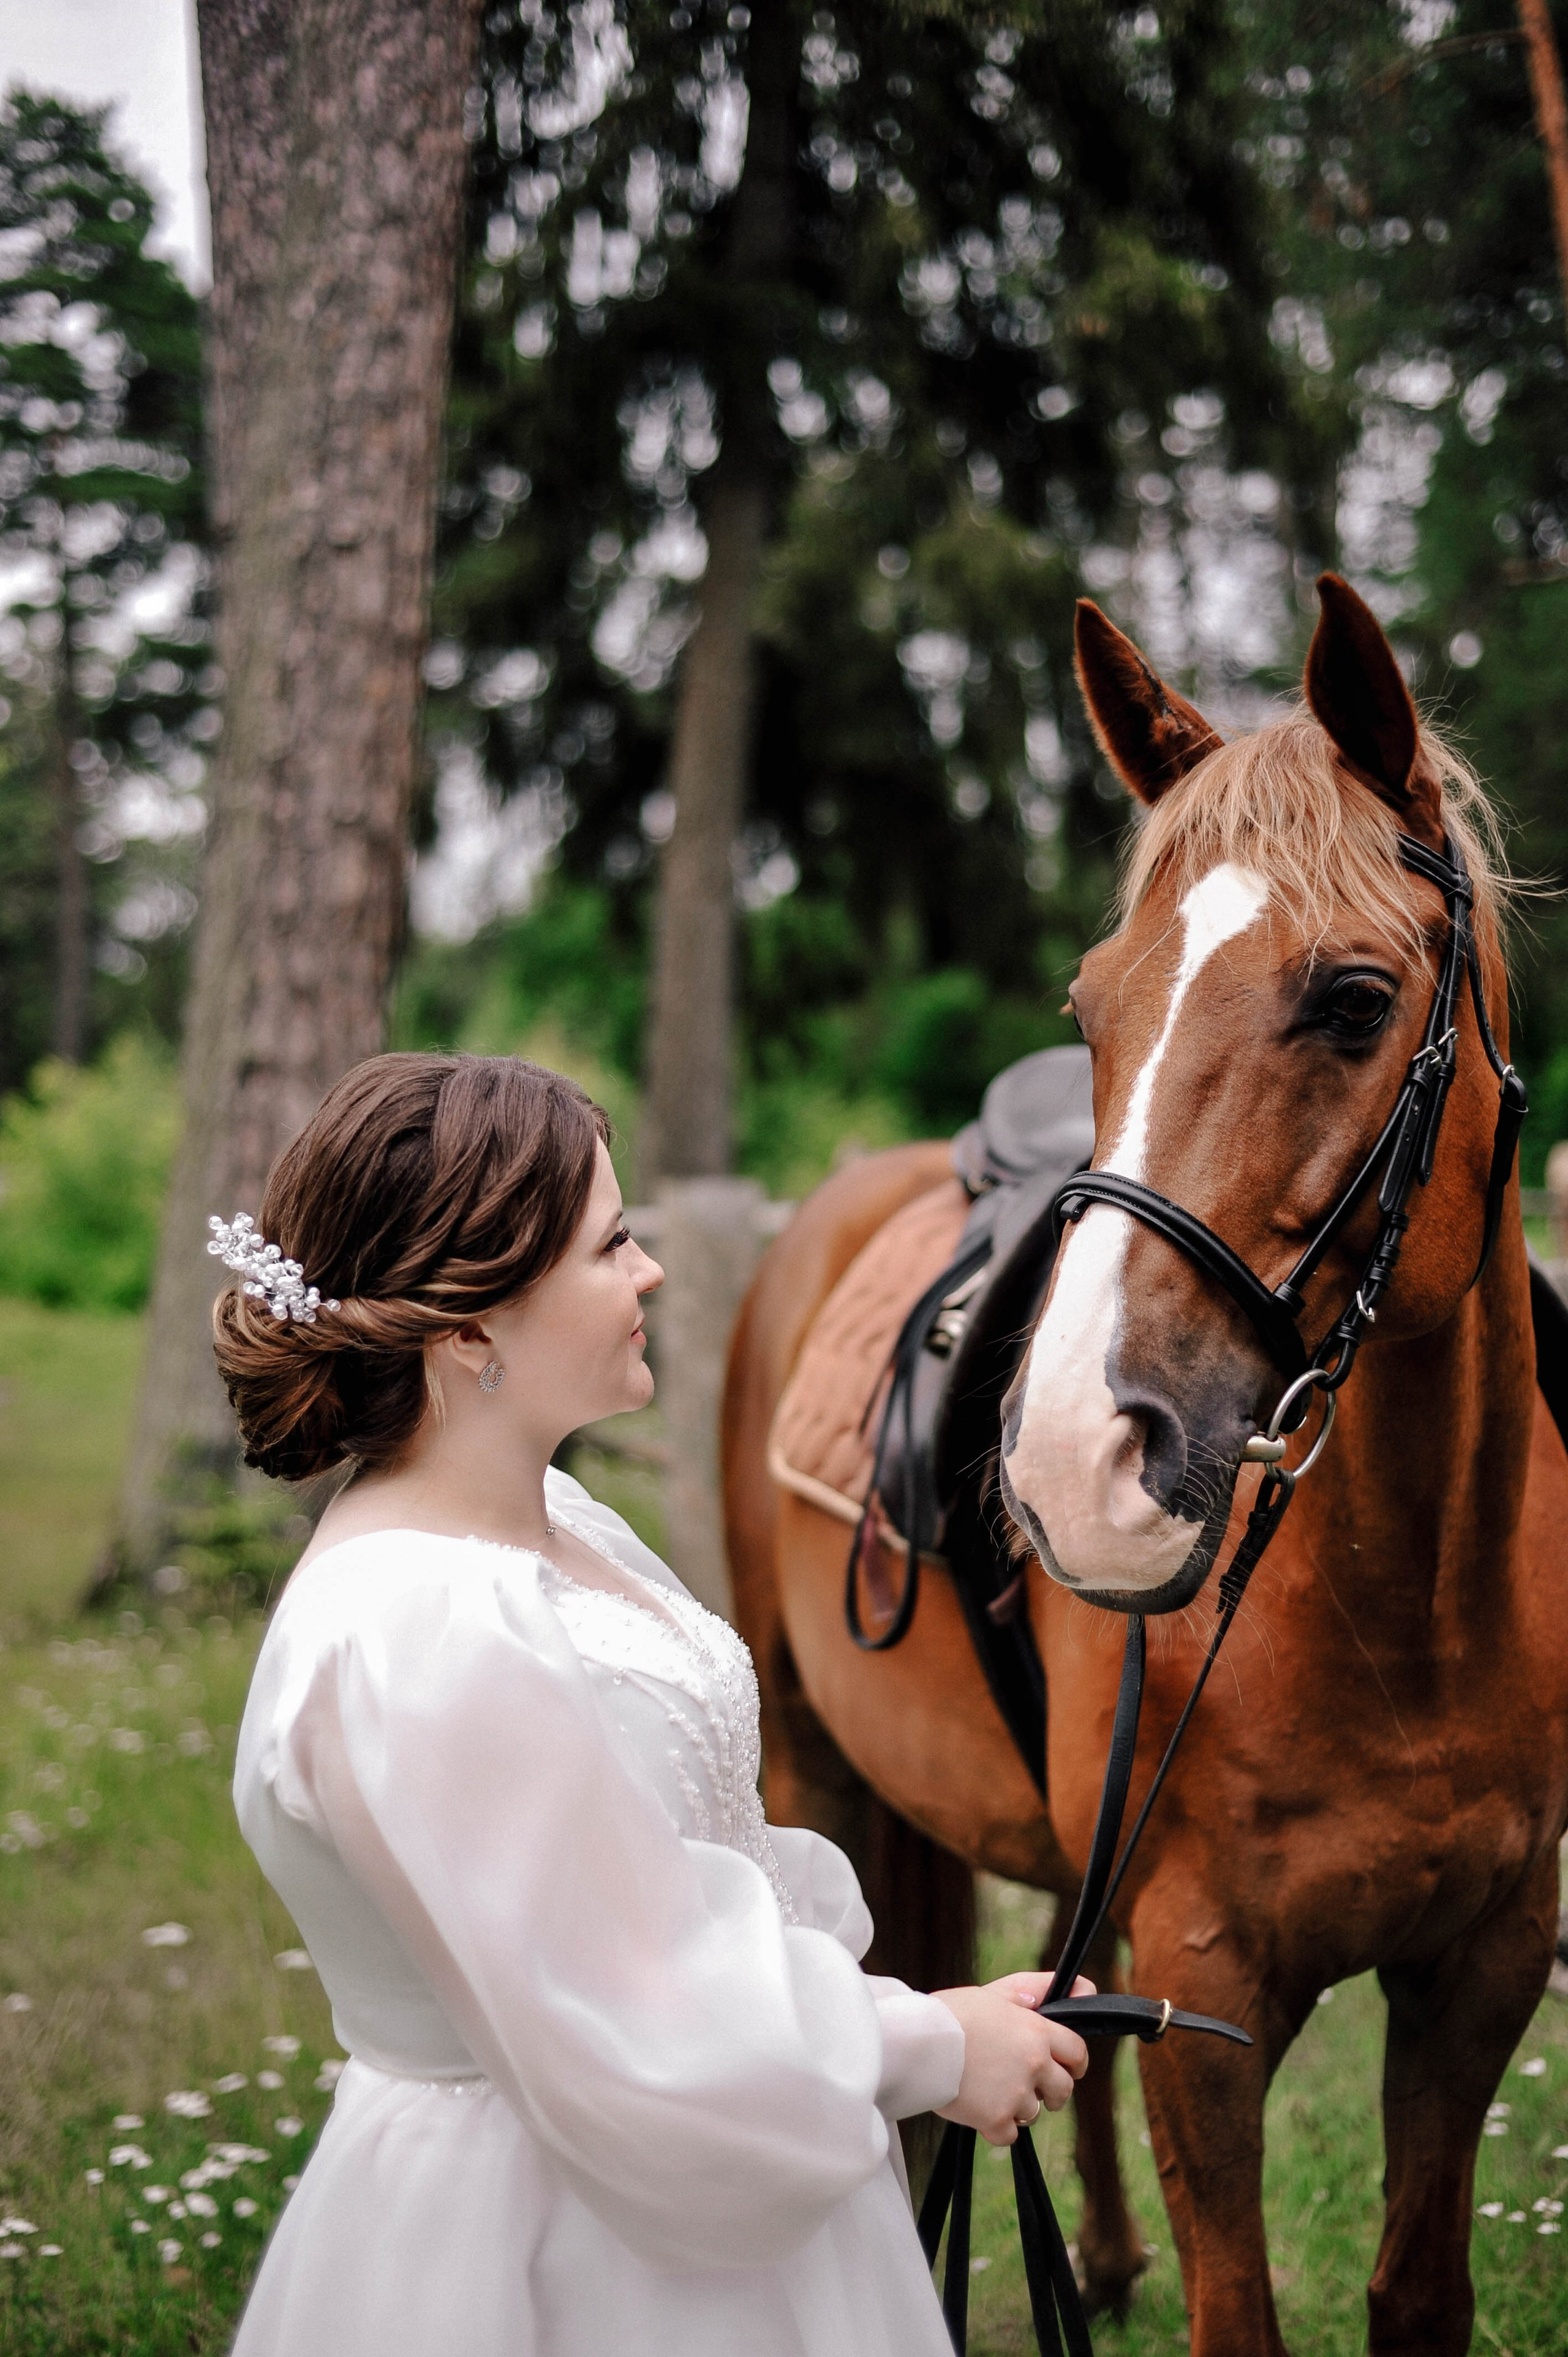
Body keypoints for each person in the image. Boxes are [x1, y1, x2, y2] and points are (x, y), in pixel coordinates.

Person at [211, 1052, 1091, 2357]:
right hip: (557, 2232)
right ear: (469, 1329)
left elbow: (673, 1876)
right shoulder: (420, 1637)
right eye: (608, 1246)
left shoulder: (556, 1522)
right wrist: (922, 2046)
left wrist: (898, 2022)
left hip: (713, 2134)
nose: (650, 1274)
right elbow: (630, 2020)